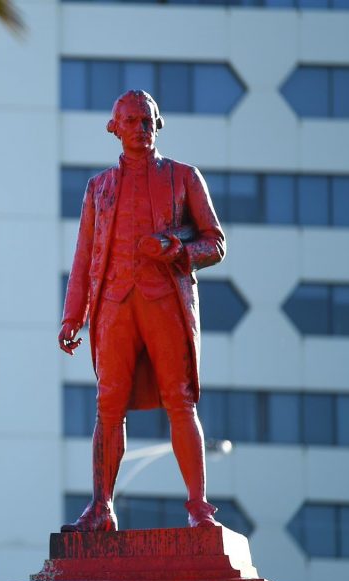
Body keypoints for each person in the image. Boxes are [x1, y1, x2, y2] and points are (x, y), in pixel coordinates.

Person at [58, 90, 226, 532]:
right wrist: (72, 317)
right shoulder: (99, 188)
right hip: (114, 305)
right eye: (131, 120)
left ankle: (199, 509)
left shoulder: (184, 177)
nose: (140, 127)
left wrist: (176, 247)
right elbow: (83, 256)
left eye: (147, 120)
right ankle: (101, 508)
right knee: (108, 405)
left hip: (164, 302)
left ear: (159, 124)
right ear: (115, 128)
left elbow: (215, 243)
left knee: (180, 399)